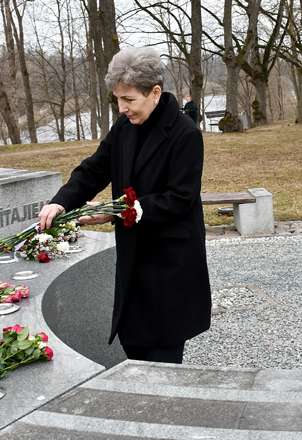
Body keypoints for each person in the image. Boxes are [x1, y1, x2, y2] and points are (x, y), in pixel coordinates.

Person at [38, 47, 211, 364]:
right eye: (117, 99)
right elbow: (94, 169)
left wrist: (117, 211)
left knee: (161, 359)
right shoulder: (124, 126)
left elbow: (178, 199)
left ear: (154, 92)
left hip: (170, 265)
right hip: (133, 260)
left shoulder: (186, 134)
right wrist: (61, 202)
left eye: (129, 99)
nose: (122, 108)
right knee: (132, 344)